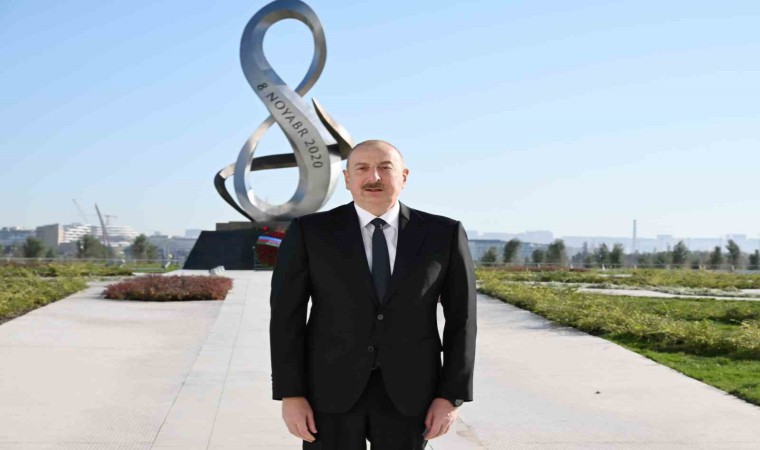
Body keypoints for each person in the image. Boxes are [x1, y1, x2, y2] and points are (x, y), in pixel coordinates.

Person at [270, 139, 477, 449]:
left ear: (404, 176)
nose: (374, 177)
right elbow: (287, 318)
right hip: (327, 393)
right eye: (362, 168)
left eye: (385, 167)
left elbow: (463, 320)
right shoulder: (309, 232)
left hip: (412, 395)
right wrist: (291, 394)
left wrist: (451, 396)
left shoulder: (443, 234)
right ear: (347, 179)